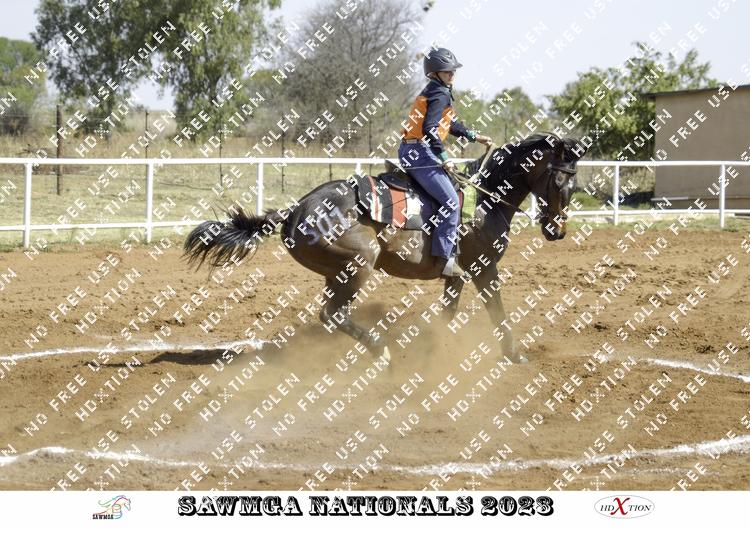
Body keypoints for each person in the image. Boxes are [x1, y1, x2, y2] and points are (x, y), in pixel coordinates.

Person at [399, 47, 492, 278]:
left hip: (413, 149)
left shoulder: (436, 91)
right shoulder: (440, 93)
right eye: (447, 71)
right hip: (421, 152)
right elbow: (430, 129)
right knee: (451, 202)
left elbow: (449, 124)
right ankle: (445, 260)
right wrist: (443, 158)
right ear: (434, 73)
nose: (452, 74)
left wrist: (474, 136)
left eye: (453, 70)